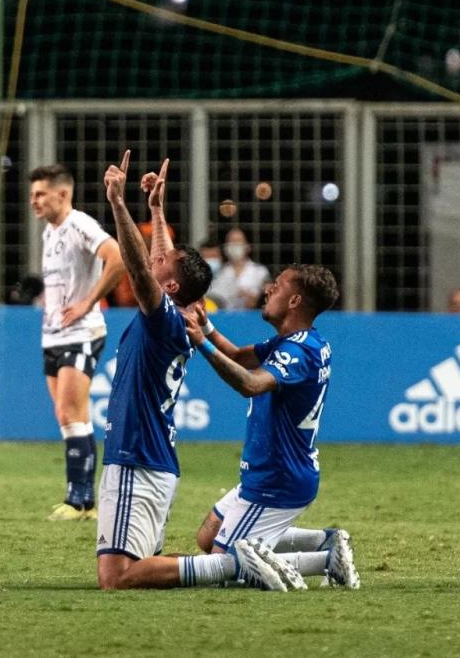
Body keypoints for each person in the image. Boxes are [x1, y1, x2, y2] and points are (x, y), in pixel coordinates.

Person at [96, 151, 292, 591]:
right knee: (139, 568)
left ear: (167, 286)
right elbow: (161, 267)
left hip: (137, 457)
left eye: (159, 262)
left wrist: (118, 204)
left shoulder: (164, 317)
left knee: (117, 577)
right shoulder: (182, 313)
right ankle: (237, 563)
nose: (153, 255)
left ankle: (236, 564)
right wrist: (157, 210)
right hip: (149, 458)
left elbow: (140, 267)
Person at [182, 264, 360, 591]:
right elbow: (237, 355)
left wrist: (200, 344)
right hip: (275, 472)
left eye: (276, 286)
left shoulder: (297, 351)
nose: (267, 289)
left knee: (223, 565)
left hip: (277, 478)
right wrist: (206, 328)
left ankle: (321, 562)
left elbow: (250, 383)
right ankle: (326, 543)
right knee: (208, 537)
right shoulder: (300, 341)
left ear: (293, 301)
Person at [30, 163, 127, 521]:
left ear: (63, 193)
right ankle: (86, 502)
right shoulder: (49, 232)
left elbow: (116, 257)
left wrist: (88, 302)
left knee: (70, 412)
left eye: (40, 194)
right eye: (32, 195)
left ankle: (78, 499)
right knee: (68, 416)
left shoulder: (80, 224)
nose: (34, 201)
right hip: (53, 334)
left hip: (82, 333)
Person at [208, 226, 271, 310]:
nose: (234, 244)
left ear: (248, 246)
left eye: (238, 241)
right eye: (231, 241)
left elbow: (266, 296)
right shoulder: (220, 272)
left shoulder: (260, 272)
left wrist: (255, 299)